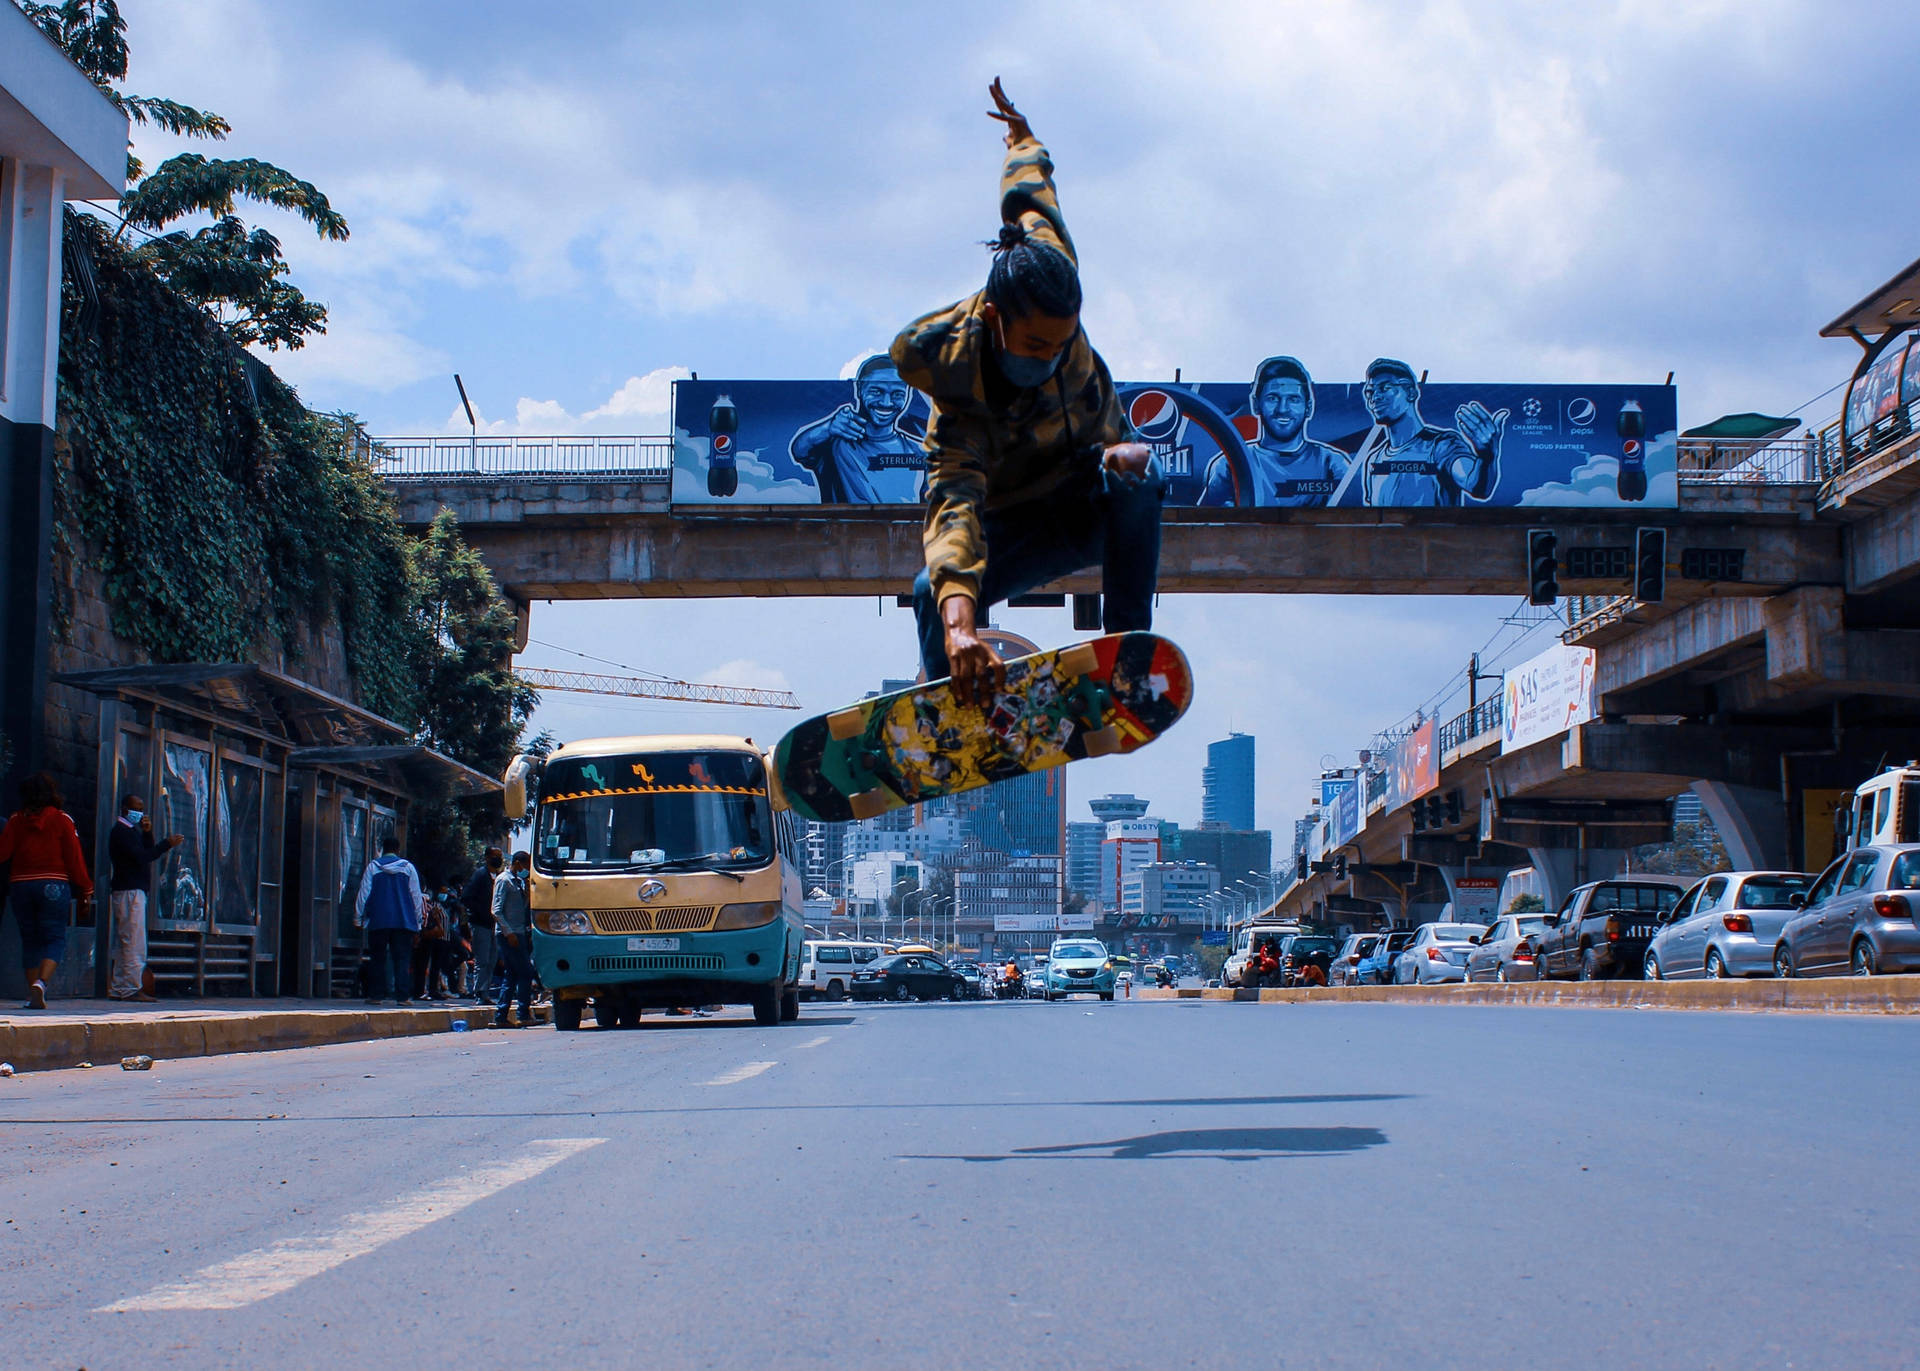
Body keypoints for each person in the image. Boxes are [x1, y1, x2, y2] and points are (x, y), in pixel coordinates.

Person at [895, 79, 1160, 702]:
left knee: (1138, 472)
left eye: (1064, 344)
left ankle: (1126, 655)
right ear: (995, 321)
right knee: (927, 595)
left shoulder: (1048, 263)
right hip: (1010, 525)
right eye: (1037, 347)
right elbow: (954, 508)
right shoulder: (960, 393)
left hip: (1080, 498)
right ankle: (951, 707)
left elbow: (1033, 196)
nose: (1053, 358)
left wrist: (1021, 139)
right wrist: (962, 624)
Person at [1340, 358, 1506, 507]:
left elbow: (1475, 484)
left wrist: (1487, 456)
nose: (1374, 397)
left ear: (1411, 393)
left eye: (1385, 388)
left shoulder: (1442, 444)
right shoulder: (1374, 459)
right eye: (1370, 392)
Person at [1199, 356, 1350, 507]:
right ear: (1256, 404)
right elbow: (1209, 524)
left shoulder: (1332, 463)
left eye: (1294, 399)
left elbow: (1352, 520)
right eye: (1272, 398)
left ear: (1308, 408)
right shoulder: (1230, 463)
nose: (1282, 409)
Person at [0, 773, 94, 1010]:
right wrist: (86, 889)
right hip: (53, 884)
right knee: (54, 937)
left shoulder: (15, 821)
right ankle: (41, 983)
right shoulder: (62, 820)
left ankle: (32, 992)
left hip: (20, 885)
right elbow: (74, 859)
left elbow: (3, 853)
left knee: (29, 940)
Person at [789, 355, 926, 503]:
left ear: (908, 395)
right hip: (842, 526)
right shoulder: (834, 443)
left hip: (907, 526)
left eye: (898, 394)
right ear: (859, 388)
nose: (887, 402)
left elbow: (933, 508)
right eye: (876, 391)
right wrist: (828, 427)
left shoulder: (921, 452)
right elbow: (799, 449)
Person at [106, 793, 182, 1002]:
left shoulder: (130, 832)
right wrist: (166, 844)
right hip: (129, 891)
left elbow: (145, 852)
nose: (140, 813)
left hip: (129, 890)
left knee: (126, 942)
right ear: (125, 809)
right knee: (134, 943)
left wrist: (148, 834)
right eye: (136, 808)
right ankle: (131, 987)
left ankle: (121, 986)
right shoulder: (122, 832)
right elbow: (142, 856)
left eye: (141, 808)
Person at [354, 835, 423, 1006]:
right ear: (398, 850)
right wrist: (418, 922)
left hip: (378, 921)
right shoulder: (408, 868)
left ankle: (376, 995)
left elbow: (364, 894)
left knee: (377, 959)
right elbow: (416, 897)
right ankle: (402, 997)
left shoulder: (373, 867)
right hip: (404, 922)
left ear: (382, 849)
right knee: (402, 959)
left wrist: (358, 918)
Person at [492, 851, 535, 1028]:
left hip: (518, 932)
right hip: (509, 934)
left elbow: (519, 908)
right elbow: (496, 910)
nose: (526, 869)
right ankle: (522, 1013)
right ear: (517, 863)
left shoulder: (517, 882)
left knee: (511, 975)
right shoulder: (504, 880)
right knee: (525, 972)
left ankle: (501, 1015)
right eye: (525, 865)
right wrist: (508, 933)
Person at [461, 848, 504, 1001]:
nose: (498, 859)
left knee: (492, 960)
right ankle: (479, 992)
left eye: (500, 856)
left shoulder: (498, 877)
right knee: (482, 960)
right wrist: (481, 913)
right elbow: (466, 897)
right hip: (481, 924)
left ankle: (485, 990)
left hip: (494, 925)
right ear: (487, 858)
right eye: (495, 856)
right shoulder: (480, 875)